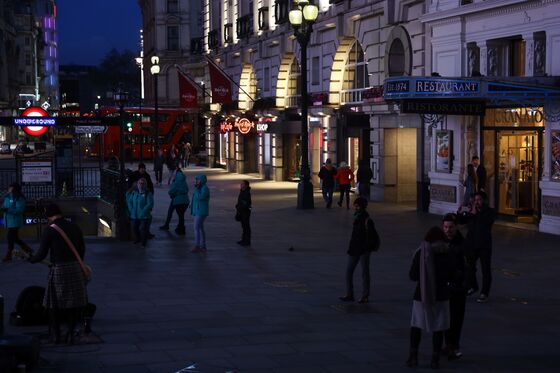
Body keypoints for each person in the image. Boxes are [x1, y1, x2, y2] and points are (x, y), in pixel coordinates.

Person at [29, 203, 88, 344]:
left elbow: (41, 254)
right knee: (73, 303)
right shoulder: (74, 226)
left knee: (54, 304)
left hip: (59, 270)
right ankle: (71, 334)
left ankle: (56, 335)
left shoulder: (50, 230)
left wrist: (31, 259)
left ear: (49, 216)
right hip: (75, 268)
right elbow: (82, 248)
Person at [406, 226, 452, 369]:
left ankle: (413, 357)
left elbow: (413, 276)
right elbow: (452, 274)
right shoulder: (447, 252)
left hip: (422, 295)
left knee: (416, 325)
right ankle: (435, 359)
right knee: (438, 328)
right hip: (441, 295)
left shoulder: (421, 252)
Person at [459, 191, 495, 303]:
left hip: (484, 245)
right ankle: (473, 286)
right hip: (471, 244)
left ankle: (484, 292)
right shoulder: (471, 212)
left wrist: (474, 213)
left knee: (485, 269)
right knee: (468, 267)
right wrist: (460, 212)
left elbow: (484, 222)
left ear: (484, 201)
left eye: (479, 200)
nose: (476, 202)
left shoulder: (490, 212)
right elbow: (461, 221)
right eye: (475, 200)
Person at [339, 197, 376, 304]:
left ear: (362, 206)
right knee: (349, 272)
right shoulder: (357, 217)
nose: (355, 207)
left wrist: (366, 248)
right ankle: (350, 294)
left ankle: (365, 296)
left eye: (357, 205)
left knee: (365, 272)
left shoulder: (367, 220)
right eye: (355, 205)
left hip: (364, 250)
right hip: (354, 249)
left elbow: (371, 237)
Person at [442, 213, 467, 360]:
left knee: (456, 318)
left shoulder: (462, 244)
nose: (448, 230)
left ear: (456, 227)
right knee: (445, 317)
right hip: (445, 287)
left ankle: (454, 345)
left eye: (450, 227)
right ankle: (448, 344)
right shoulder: (441, 242)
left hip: (457, 288)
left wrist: (464, 284)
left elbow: (468, 267)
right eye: (445, 227)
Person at [2, 183, 33, 262]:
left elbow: (20, 210)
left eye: (10, 188)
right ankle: (28, 249)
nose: (8, 189)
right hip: (8, 220)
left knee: (10, 237)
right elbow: (4, 206)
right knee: (15, 238)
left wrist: (8, 210)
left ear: (14, 189)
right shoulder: (7, 197)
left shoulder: (19, 198)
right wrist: (3, 208)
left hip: (15, 221)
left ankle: (9, 255)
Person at [160, 168, 189, 235]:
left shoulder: (176, 182)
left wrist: (173, 195)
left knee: (170, 212)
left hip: (177, 200)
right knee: (181, 216)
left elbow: (171, 191)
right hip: (185, 202)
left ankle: (171, 226)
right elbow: (186, 190)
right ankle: (180, 229)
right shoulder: (184, 181)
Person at [126, 178, 154, 248]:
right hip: (134, 215)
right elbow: (130, 201)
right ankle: (137, 239)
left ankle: (143, 242)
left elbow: (150, 203)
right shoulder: (134, 193)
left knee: (142, 229)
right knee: (134, 228)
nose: (141, 185)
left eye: (142, 183)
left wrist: (144, 211)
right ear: (137, 184)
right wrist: (131, 209)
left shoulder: (148, 193)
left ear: (145, 185)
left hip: (144, 216)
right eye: (139, 183)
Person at [191, 174, 210, 253]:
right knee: (200, 228)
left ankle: (197, 245)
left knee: (196, 228)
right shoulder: (200, 188)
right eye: (196, 180)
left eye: (198, 180)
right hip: (198, 210)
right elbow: (194, 199)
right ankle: (203, 246)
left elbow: (201, 198)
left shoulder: (205, 188)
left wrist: (197, 190)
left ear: (201, 180)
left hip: (201, 211)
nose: (197, 181)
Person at [236, 180, 252, 246]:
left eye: (242, 184)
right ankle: (243, 240)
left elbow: (247, 203)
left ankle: (247, 241)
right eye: (241, 184)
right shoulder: (242, 191)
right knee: (244, 226)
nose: (241, 185)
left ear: (246, 185)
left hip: (245, 212)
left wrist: (240, 206)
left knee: (246, 226)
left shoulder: (247, 193)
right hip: (241, 211)